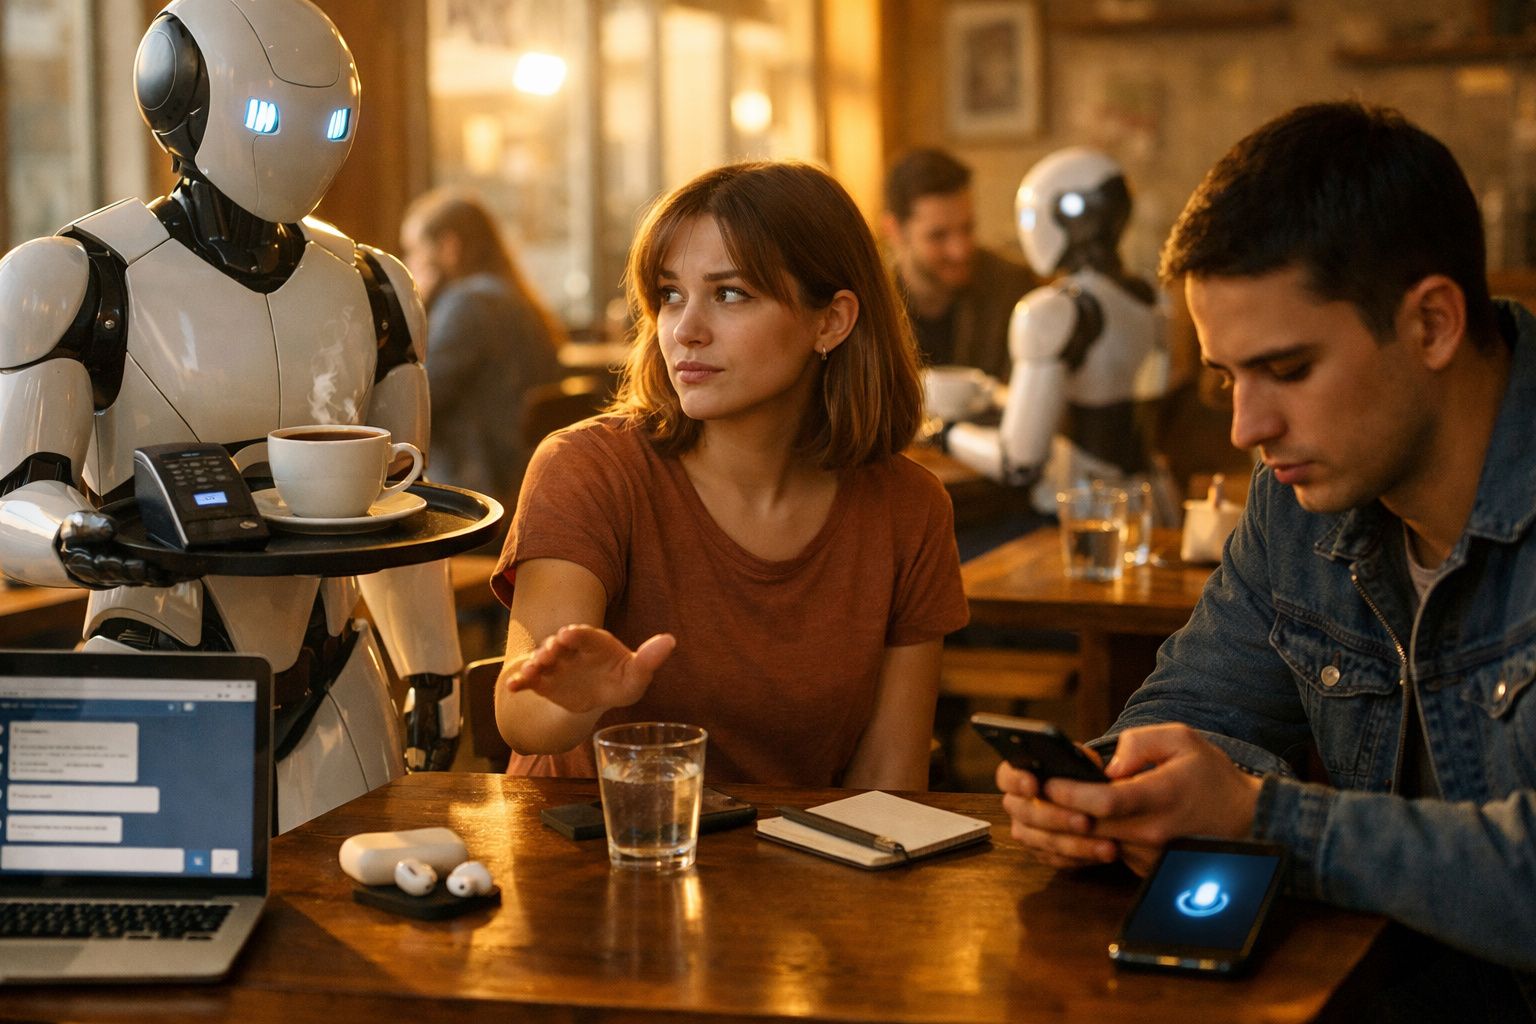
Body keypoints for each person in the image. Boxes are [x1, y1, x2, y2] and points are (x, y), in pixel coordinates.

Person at [995, 101, 1535, 1017]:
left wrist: (1262, 818)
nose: (1248, 427)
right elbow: (1197, 705)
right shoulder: (1298, 494)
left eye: (1286, 371)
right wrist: (1123, 789)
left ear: (1434, 323)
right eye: (1226, 378)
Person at [0, 0, 466, 829]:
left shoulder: (375, 286)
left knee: (369, 937)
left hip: (335, 679)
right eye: (267, 115)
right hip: (153, 662)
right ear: (177, 99)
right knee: (137, 937)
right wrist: (79, 540)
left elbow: (400, 507)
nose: (296, 144)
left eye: (331, 123)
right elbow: (15, 502)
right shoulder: (72, 279)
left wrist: (432, 667)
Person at [491, 160, 969, 787]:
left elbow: (889, 778)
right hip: (590, 857)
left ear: (831, 320)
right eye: (669, 295)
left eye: (730, 294)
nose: (685, 330)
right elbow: (519, 714)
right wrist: (578, 696)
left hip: (794, 871)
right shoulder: (588, 468)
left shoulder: (908, 507)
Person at [946, 147, 1172, 518]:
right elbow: (1098, 400)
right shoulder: (1153, 298)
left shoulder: (1051, 310)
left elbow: (1017, 463)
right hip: (1152, 502)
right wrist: (988, 392)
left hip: (1081, 513)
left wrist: (943, 431)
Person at [400, 189, 565, 522]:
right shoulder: (513, 299)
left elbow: (417, 405)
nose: (408, 264)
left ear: (448, 246)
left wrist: (412, 302)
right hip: (526, 486)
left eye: (414, 250)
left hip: (476, 497)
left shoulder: (470, 304)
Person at [883, 148, 1036, 382]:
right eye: (938, 236)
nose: (960, 250)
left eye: (967, 228)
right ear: (894, 231)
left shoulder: (1010, 286)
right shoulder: (872, 302)